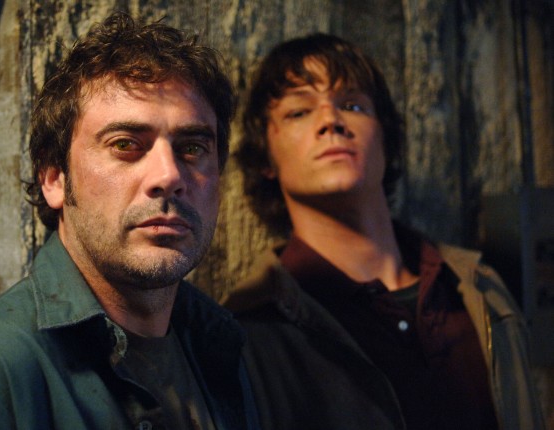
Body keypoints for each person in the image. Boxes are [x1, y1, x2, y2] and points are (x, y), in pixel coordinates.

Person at [0, 12, 259, 430]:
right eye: (125, 144)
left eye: (192, 148)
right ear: (53, 178)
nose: (169, 175)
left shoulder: (221, 350)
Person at [221, 33, 545, 430]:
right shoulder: (250, 330)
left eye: (352, 105)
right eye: (299, 112)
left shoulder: (479, 288)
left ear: (386, 140)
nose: (331, 121)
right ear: (265, 157)